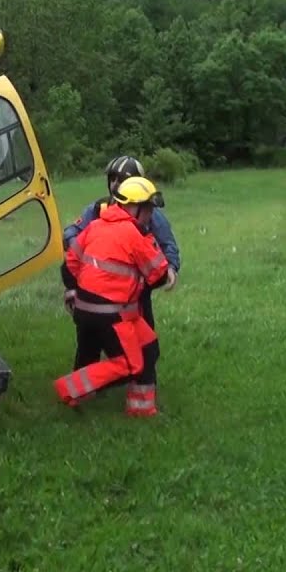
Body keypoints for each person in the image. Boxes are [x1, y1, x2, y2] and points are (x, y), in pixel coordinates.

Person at [54, 176, 171, 417]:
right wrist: (149, 243)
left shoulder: (95, 226)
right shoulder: (135, 234)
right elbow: (158, 275)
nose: (151, 215)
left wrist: (81, 290)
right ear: (133, 207)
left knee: (149, 347)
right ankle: (71, 387)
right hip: (112, 315)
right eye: (148, 208)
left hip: (87, 310)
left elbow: (69, 265)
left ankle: (141, 408)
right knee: (131, 364)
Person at [61, 155, 180, 371]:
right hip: (96, 291)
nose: (115, 184)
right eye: (112, 178)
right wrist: (81, 251)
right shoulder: (98, 209)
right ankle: (85, 383)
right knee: (89, 347)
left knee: (145, 345)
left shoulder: (151, 214)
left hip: (137, 293)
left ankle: (136, 381)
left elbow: (168, 244)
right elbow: (71, 233)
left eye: (122, 179)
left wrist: (171, 267)